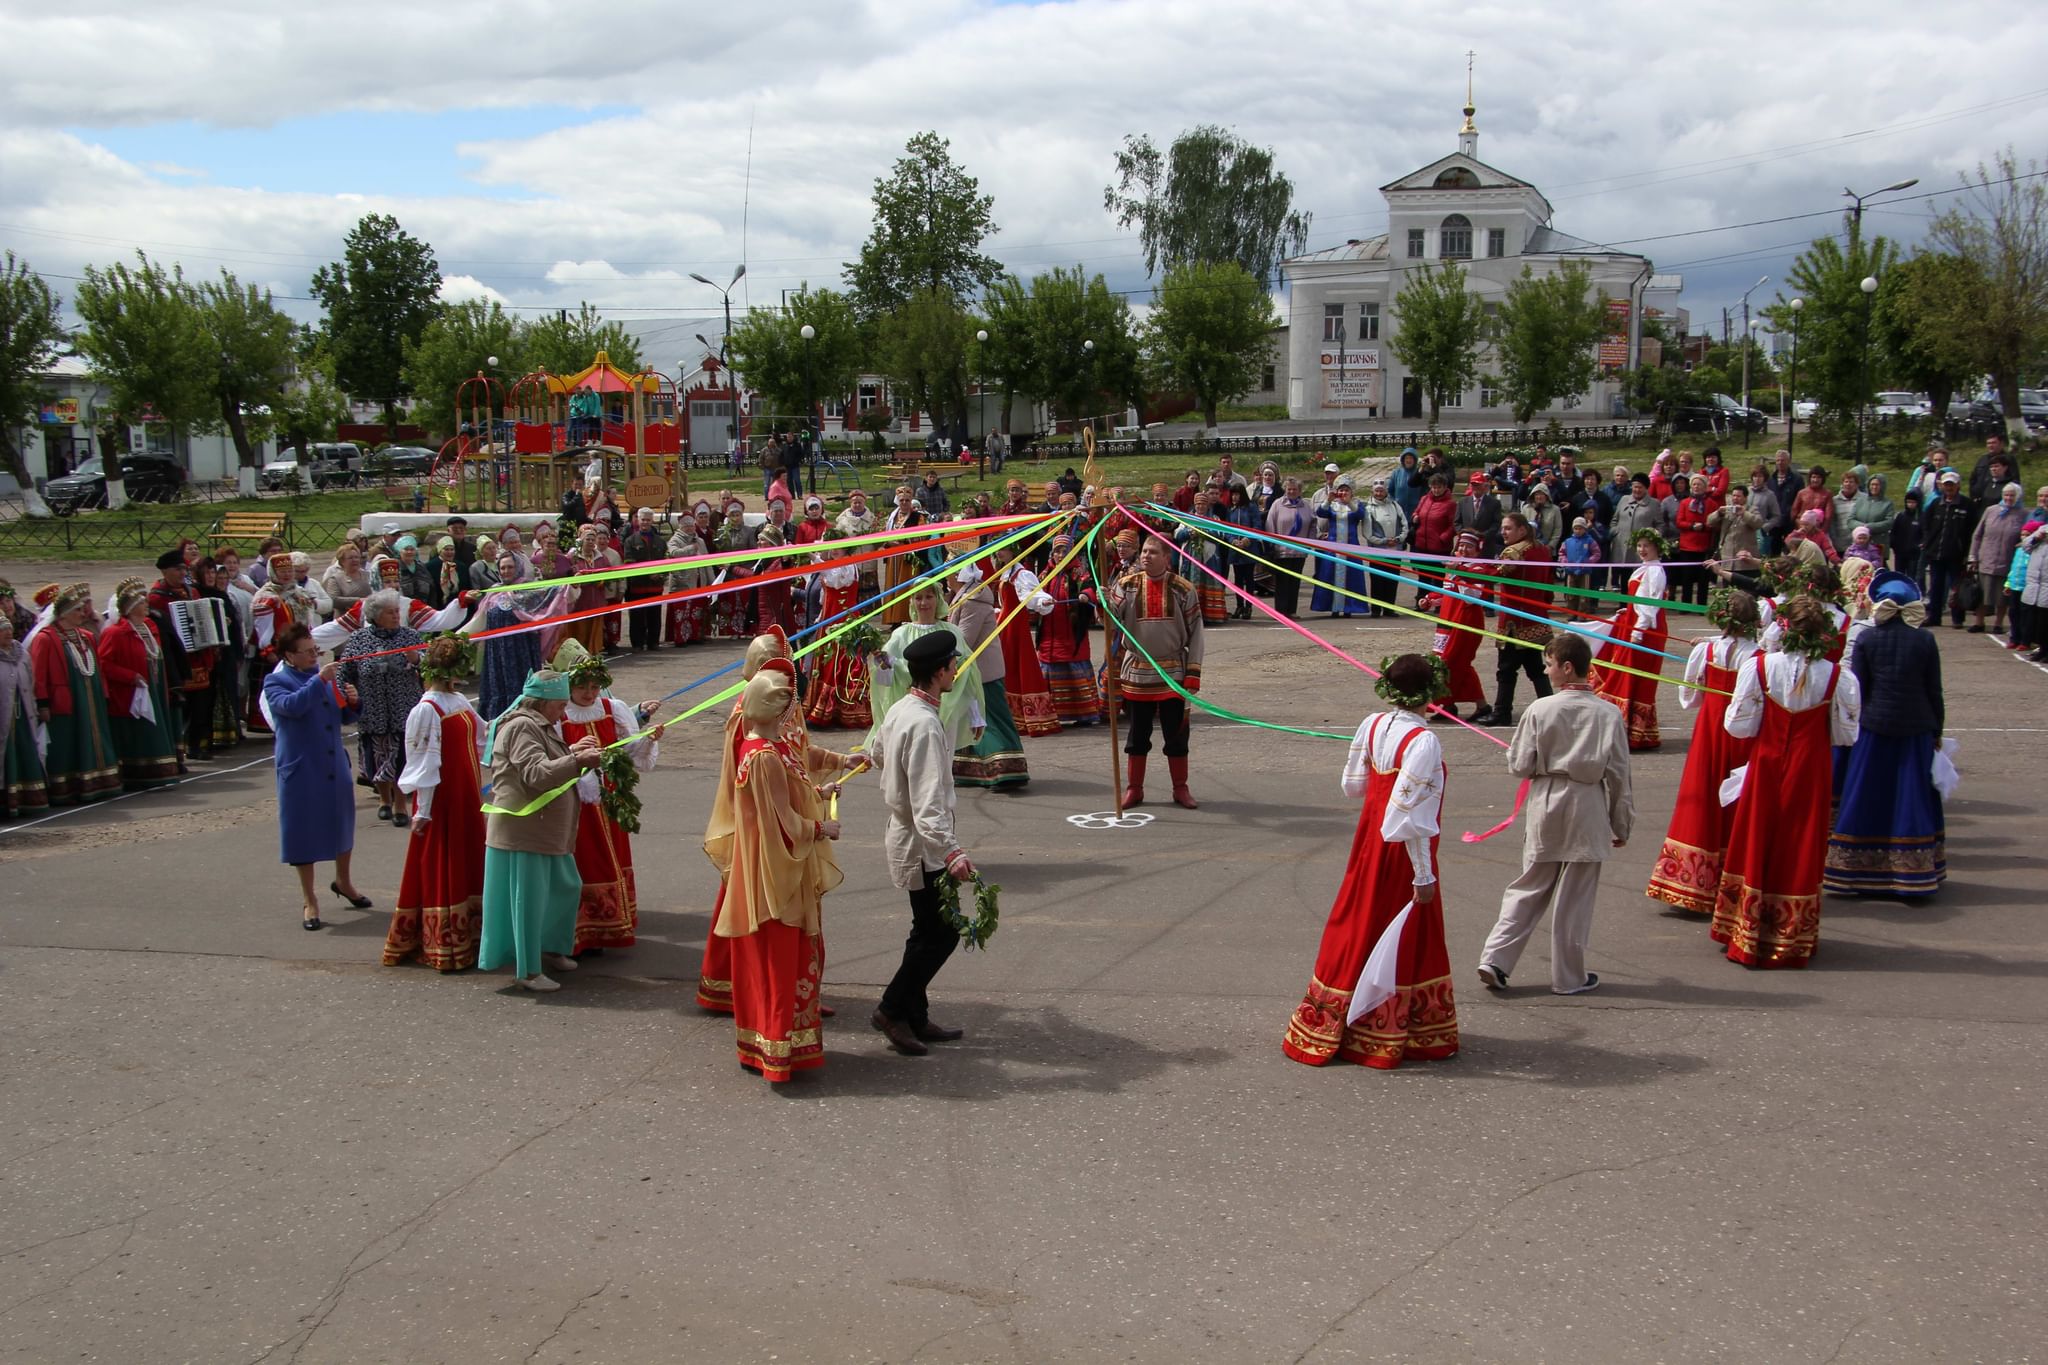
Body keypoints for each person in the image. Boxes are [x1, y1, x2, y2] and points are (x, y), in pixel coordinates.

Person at [1281, 654, 1458, 1068]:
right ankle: (1388, 1029)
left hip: (1368, 840)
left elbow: (1352, 786)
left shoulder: (1372, 724)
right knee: (1400, 931)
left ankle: (1332, 1020)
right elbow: (1409, 817)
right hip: (1399, 850)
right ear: (1430, 693)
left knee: (1357, 921)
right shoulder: (1424, 741)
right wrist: (1423, 874)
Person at [1476, 633, 1634, 996]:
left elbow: (1519, 764)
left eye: (1548, 664)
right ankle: (1568, 976)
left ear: (1566, 667)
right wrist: (1620, 822)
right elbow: (1620, 776)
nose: (1545, 671)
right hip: (1587, 802)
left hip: (1548, 798)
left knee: (1530, 883)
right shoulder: (1608, 713)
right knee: (1575, 898)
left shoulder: (1540, 709)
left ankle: (1496, 958)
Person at [710, 658, 843, 1078]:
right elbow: (782, 823)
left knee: (764, 958)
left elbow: (783, 796)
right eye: (788, 706)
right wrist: (822, 826)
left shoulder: (762, 748)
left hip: (760, 865)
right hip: (773, 871)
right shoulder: (764, 755)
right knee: (779, 955)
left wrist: (818, 790)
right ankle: (777, 1047)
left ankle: (760, 1045)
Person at [1712, 597, 1861, 969]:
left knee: (1757, 837)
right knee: (1799, 841)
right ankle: (1789, 936)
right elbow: (1846, 736)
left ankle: (1747, 930)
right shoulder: (1837, 675)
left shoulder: (1760, 666)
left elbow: (1738, 726)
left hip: (1767, 761)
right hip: (1810, 767)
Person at [871, 630, 979, 1057]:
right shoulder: (925, 724)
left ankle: (914, 1013)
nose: (956, 671)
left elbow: (879, 750)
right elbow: (927, 802)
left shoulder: (904, 707)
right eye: (953, 666)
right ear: (939, 673)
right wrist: (951, 850)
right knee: (943, 934)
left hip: (911, 837)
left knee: (926, 930)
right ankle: (891, 1008)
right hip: (922, 844)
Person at [477, 669, 606, 992]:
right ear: (544, 702)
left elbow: (545, 760)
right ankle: (528, 970)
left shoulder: (538, 724)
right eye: (560, 705)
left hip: (545, 832)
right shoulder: (522, 726)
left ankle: (549, 947)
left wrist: (573, 751)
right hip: (524, 831)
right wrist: (578, 762)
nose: (564, 711)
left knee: (565, 887)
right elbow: (535, 773)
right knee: (529, 904)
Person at [1821, 571, 1944, 897]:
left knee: (1866, 792)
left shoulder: (1867, 638)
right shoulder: (1925, 640)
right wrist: (1937, 731)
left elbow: (1857, 688)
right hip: (1916, 726)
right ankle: (1911, 875)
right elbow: (1934, 690)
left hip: (1873, 725)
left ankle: (1853, 871)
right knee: (1910, 794)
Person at [1645, 590, 1761, 915]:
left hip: (1711, 728)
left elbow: (1689, 697)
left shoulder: (1707, 650)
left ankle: (1692, 880)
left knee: (1704, 793)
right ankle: (1732, 878)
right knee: (1735, 799)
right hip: (1744, 734)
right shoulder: (1760, 657)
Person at [551, 641, 663, 955]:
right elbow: (554, 755)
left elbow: (628, 750)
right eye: (582, 687)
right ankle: (580, 928)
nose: (589, 693)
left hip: (609, 798)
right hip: (575, 801)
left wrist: (647, 740)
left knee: (610, 854)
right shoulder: (560, 716)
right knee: (583, 857)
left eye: (594, 686)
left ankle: (607, 925)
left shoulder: (612, 709)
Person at [386, 635, 487, 972]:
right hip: (444, 799)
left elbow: (483, 736)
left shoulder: (457, 700)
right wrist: (424, 810)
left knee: (466, 859)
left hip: (467, 794)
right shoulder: (427, 709)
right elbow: (423, 762)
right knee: (445, 860)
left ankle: (469, 937)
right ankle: (444, 942)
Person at [264, 624, 369, 931]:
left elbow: (343, 716)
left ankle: (344, 881)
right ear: (289, 655)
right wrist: (320, 681)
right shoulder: (276, 681)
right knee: (302, 833)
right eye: (307, 652)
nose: (314, 656)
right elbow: (290, 707)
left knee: (342, 823)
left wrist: (352, 701)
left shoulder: (322, 678)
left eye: (315, 650)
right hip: (301, 767)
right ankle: (310, 899)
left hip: (332, 763)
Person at [1109, 535, 1204, 810]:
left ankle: (1180, 788)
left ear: (1167, 557)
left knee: (1176, 734)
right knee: (1137, 734)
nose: (1146, 556)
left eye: (1153, 552)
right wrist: (1103, 602)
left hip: (1172, 670)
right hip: (1138, 672)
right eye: (1145, 552)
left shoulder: (1183, 589)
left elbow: (1197, 633)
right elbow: (1109, 621)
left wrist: (1194, 672)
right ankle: (1134, 789)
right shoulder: (1125, 586)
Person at [27, 585, 121, 807]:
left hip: (90, 699)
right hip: (65, 701)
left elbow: (97, 668)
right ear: (64, 613)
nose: (83, 614)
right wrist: (43, 703)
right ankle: (67, 789)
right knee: (67, 743)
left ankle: (99, 783)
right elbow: (38, 675)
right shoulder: (46, 638)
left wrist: (103, 694)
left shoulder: (86, 636)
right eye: (77, 610)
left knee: (94, 737)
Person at [867, 586, 986, 754]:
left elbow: (968, 676)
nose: (923, 603)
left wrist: (976, 715)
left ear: (938, 599)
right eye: (918, 598)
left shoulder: (951, 632)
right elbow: (885, 681)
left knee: (944, 760)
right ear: (912, 602)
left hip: (949, 710)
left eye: (929, 597)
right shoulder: (900, 635)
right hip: (914, 712)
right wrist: (884, 665)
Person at [947, 565, 1028, 790]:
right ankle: (974, 771)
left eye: (950, 574)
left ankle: (1006, 771)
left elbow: (964, 639)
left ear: (959, 576)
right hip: (973, 671)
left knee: (988, 720)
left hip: (982, 672)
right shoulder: (965, 598)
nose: (946, 579)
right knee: (971, 719)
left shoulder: (972, 602)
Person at [1589, 529, 1670, 751]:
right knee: (1626, 674)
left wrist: (1638, 630)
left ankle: (1631, 731)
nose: (1642, 550)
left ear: (1656, 547)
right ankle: (1629, 729)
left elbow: (1649, 605)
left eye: (1647, 546)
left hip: (1645, 632)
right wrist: (1629, 611)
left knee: (1631, 676)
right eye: (1640, 545)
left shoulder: (1654, 571)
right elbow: (1639, 601)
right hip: (1636, 626)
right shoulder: (1645, 569)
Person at [97, 581, 182, 791]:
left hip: (153, 688)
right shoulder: (115, 633)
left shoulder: (150, 627)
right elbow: (104, 664)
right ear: (130, 608)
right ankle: (138, 774)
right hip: (130, 693)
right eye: (141, 603)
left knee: (154, 730)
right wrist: (130, 676)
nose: (146, 605)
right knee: (137, 734)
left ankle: (159, 771)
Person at [1474, 513, 1554, 728]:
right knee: (1536, 668)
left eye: (1508, 528)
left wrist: (1463, 569)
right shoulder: (1543, 550)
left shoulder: (1513, 553)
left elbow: (1491, 576)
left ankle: (1502, 712)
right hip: (1536, 618)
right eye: (1503, 528)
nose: (1504, 532)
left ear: (1522, 530)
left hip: (1514, 622)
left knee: (1507, 669)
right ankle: (1550, 709)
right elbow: (1548, 585)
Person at [802, 538, 875, 730]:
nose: (834, 550)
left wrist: (812, 555)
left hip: (844, 620)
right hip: (829, 619)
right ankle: (822, 709)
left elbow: (832, 578)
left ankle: (836, 711)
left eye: (838, 547)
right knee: (827, 663)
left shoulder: (847, 567)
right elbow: (825, 594)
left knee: (839, 662)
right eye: (831, 546)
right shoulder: (835, 565)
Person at [990, 546, 1060, 736]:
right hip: (1005, 625)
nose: (999, 552)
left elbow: (1032, 594)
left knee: (1018, 665)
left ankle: (1030, 717)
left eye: (1003, 550)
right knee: (1008, 666)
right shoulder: (1006, 573)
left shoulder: (1022, 574)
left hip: (1016, 626)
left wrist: (1042, 602)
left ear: (1013, 551)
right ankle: (1012, 716)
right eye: (998, 550)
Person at [1037, 535, 1101, 725]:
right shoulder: (1045, 574)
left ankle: (1082, 714)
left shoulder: (1078, 572)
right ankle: (1052, 714)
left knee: (1072, 666)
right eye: (1057, 550)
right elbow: (1034, 592)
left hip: (1071, 635)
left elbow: (1090, 587)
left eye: (1064, 550)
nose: (1060, 554)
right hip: (1049, 634)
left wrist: (1084, 595)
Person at [1427, 533, 1487, 722]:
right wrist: (1430, 600)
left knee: (1453, 662)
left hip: (1466, 621)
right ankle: (1449, 705)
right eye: (1461, 545)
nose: (1463, 549)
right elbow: (1448, 594)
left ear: (1477, 550)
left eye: (1469, 546)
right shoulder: (1452, 567)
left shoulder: (1477, 568)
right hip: (1447, 620)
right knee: (1446, 662)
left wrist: (1460, 572)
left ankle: (1480, 705)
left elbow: (1472, 595)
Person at [0, 611, 47, 819]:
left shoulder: (22, 654)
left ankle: (29, 800)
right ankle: (7, 803)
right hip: (3, 719)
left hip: (22, 717)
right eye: (2, 630)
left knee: (26, 753)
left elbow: (31, 681)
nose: (7, 633)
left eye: (9, 628)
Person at [1967, 483, 2025, 634]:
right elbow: (1977, 535)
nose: (2008, 498)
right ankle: (1979, 622)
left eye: (2012, 495)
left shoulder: (2022, 514)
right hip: (1986, 558)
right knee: (1981, 594)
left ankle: (1998, 623)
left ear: (2017, 496)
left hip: (2007, 560)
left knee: (2002, 597)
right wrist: (1973, 556)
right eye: (2006, 495)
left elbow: (2024, 537)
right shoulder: (1990, 510)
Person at [1920, 471, 1974, 625]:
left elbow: (1972, 529)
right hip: (1936, 553)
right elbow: (1925, 524)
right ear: (1942, 486)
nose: (1949, 488)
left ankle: (1958, 618)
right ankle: (1934, 617)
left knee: (1956, 588)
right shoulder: (1936, 504)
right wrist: (1927, 541)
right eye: (1946, 485)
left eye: (1952, 484)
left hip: (1956, 554)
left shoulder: (1967, 505)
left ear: (1958, 486)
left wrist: (1967, 552)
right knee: (1935, 587)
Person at [1310, 479, 1368, 617]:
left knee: (1351, 577)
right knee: (1329, 575)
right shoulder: (1333, 505)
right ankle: (1333, 607)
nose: (1343, 493)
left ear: (1351, 492)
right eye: (1341, 490)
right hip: (1333, 547)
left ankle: (1349, 607)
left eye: (1346, 490)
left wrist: (1350, 503)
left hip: (1351, 547)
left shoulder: (1356, 505)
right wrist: (1328, 500)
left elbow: (1361, 515)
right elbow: (1320, 513)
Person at [1263, 477, 1314, 619]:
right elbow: (1270, 524)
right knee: (1282, 582)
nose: (1292, 491)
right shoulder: (1277, 504)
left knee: (1294, 581)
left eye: (1295, 489)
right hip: (1282, 551)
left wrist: (1310, 542)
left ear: (1299, 491)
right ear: (1285, 490)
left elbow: (1312, 524)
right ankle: (1280, 611)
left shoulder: (1306, 506)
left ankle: (1292, 610)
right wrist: (1273, 543)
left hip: (1299, 551)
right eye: (1289, 489)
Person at [880, 484, 930, 626]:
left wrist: (903, 540)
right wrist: (888, 541)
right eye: (901, 500)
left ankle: (907, 616)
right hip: (893, 557)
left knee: (906, 586)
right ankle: (893, 619)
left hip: (908, 557)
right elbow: (885, 532)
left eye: (907, 500)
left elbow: (922, 536)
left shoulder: (918, 517)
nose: (904, 503)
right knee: (892, 585)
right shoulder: (893, 516)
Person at [619, 507, 667, 652]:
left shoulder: (660, 541)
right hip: (637, 586)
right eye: (643, 520)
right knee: (637, 617)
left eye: (648, 520)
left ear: (652, 521)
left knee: (655, 616)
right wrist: (647, 574)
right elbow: (629, 562)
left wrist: (661, 574)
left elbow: (666, 561)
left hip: (655, 587)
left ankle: (654, 642)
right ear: (638, 521)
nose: (645, 523)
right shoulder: (630, 541)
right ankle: (637, 643)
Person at [663, 509, 712, 646]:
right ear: (681, 527)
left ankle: (694, 636)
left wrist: (712, 581)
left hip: (698, 581)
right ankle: (680, 638)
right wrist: (690, 549)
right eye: (687, 526)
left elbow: (707, 561)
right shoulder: (675, 540)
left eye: (691, 525)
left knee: (696, 611)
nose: (690, 528)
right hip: (682, 583)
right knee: (682, 613)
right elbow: (674, 553)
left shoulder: (700, 541)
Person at [1360, 478, 1408, 617]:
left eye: (1382, 490)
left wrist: (1399, 539)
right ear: (1372, 491)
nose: (1379, 493)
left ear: (1386, 490)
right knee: (1377, 580)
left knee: (1392, 580)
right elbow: (1367, 533)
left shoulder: (1395, 505)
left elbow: (1404, 524)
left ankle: (1389, 608)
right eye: (1377, 490)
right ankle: (1376, 609)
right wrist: (1384, 541)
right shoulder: (1368, 509)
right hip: (1377, 551)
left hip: (1395, 551)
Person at [1456, 471, 1504, 557]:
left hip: (1486, 546)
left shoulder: (1494, 503)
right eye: (1473, 485)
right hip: (1466, 547)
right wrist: (1465, 535)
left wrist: (1483, 535)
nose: (1475, 487)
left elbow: (1496, 523)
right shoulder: (1463, 502)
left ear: (1484, 486)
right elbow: (1457, 522)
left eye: (1478, 484)